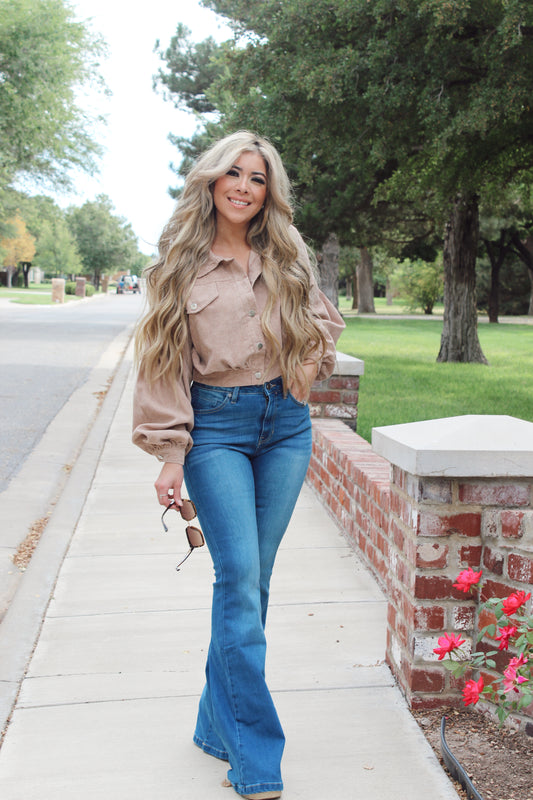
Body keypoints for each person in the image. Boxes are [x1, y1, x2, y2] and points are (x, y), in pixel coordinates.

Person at [132, 130, 344, 800]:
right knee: (240, 578)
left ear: (267, 190)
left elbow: (322, 320)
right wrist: (169, 452)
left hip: (286, 426)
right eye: (234, 174)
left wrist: (305, 364)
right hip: (216, 428)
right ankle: (255, 757)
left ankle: (212, 723)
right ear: (211, 180)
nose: (244, 187)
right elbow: (162, 360)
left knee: (251, 585)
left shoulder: (286, 250)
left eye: (257, 178)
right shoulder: (180, 261)